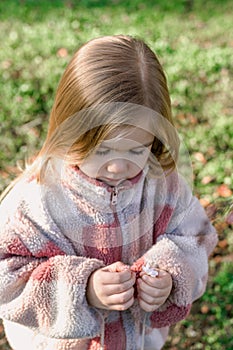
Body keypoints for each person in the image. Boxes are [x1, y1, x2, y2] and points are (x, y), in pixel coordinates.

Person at [0, 35, 217, 350]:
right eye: (102, 151)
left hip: (134, 340)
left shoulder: (163, 186)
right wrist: (82, 289)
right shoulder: (38, 201)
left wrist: (170, 276)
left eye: (137, 150)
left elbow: (195, 238)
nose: (118, 167)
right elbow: (6, 278)